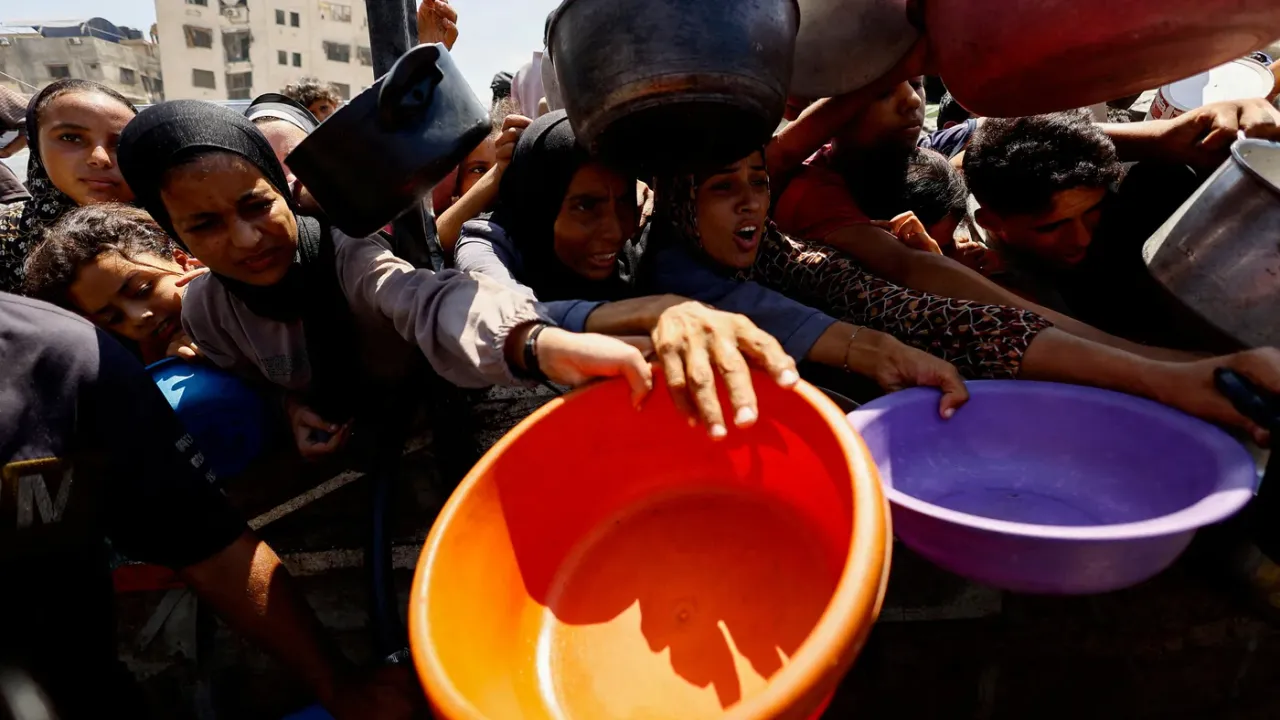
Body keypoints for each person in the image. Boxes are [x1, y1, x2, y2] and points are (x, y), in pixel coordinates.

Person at [117, 101, 795, 453]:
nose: (245, 239)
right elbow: (248, 383)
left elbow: (429, 300)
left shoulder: (348, 254)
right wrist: (287, 410)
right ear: (175, 237)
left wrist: (531, 341)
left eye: (255, 205)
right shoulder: (206, 312)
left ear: (282, 190)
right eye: (204, 225)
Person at [644, 148, 1280, 444]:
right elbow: (845, 325)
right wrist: (1159, 377)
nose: (751, 201)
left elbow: (910, 281)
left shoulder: (776, 248)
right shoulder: (675, 279)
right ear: (677, 200)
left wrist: (1156, 364)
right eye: (723, 187)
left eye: (758, 181)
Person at [0, 291, 422, 719]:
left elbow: (211, 547)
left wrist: (339, 687)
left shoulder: (67, 357)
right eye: (110, 313)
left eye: (140, 290)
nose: (139, 317)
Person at [0, 79, 137, 294]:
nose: (99, 158)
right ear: (36, 146)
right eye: (71, 137)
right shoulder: (7, 234)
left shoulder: (179, 222)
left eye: (119, 143)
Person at [23, 203, 204, 363]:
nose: (138, 317)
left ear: (182, 262)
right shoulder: (152, 370)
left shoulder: (223, 291)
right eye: (114, 319)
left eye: (142, 290)